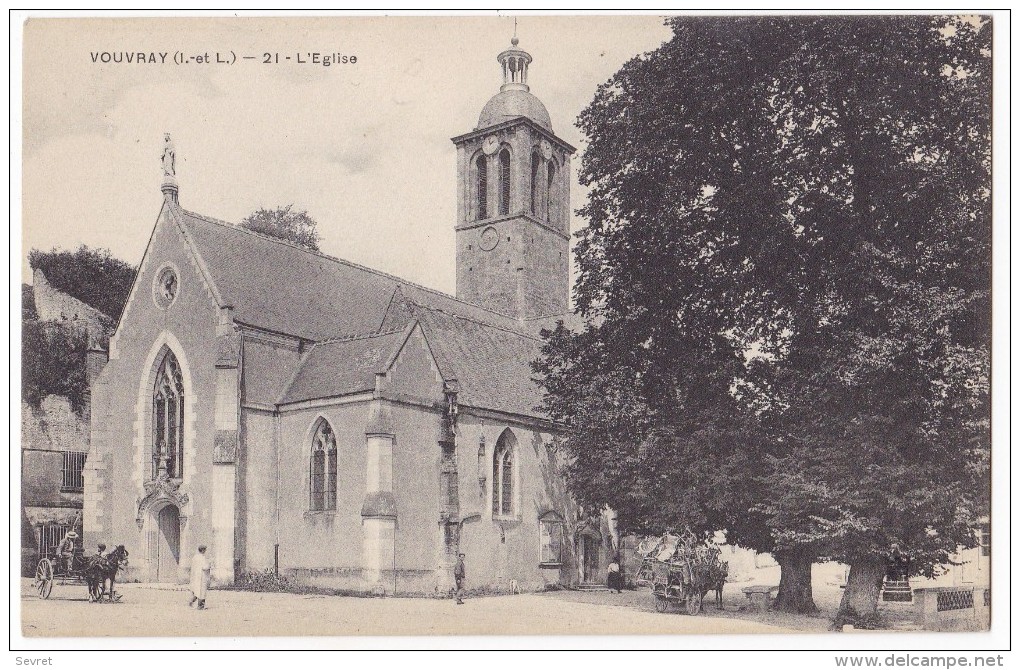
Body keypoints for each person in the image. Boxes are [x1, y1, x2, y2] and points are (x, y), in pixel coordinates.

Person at [188, 544, 211, 610]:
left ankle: (192, 601)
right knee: (202, 591)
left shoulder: (195, 557)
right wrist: (209, 566)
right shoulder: (202, 558)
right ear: (203, 550)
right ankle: (200, 606)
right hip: (202, 575)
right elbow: (204, 567)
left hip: (195, 576)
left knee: (196, 590)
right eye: (205, 550)